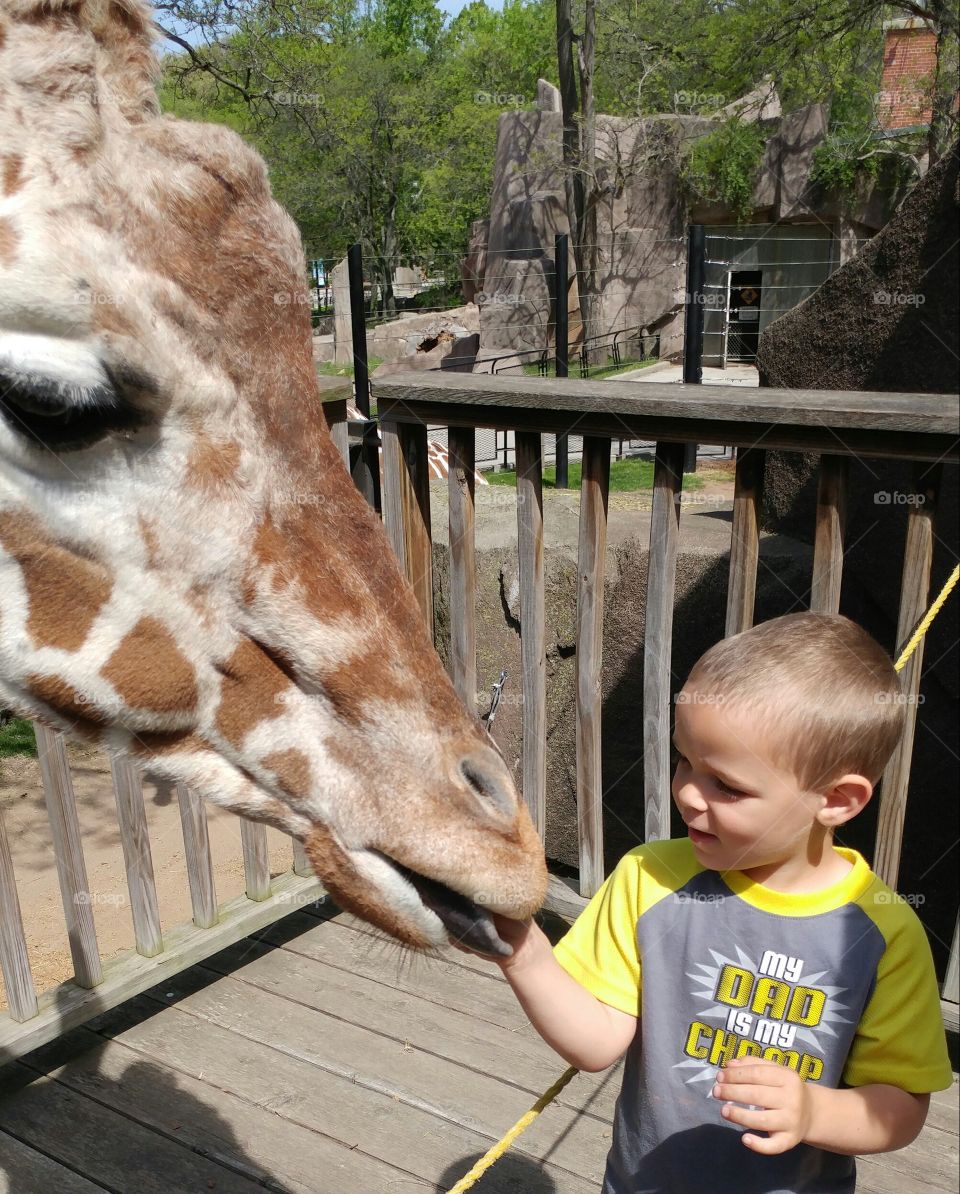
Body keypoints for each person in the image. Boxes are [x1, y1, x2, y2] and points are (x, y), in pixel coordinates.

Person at [488, 612, 953, 1193]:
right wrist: (523, 952)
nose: (686, 792)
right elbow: (597, 1041)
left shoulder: (883, 931)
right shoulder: (648, 877)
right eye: (685, 759)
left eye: (726, 785)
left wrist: (814, 1113)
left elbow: (901, 1107)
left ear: (837, 800)